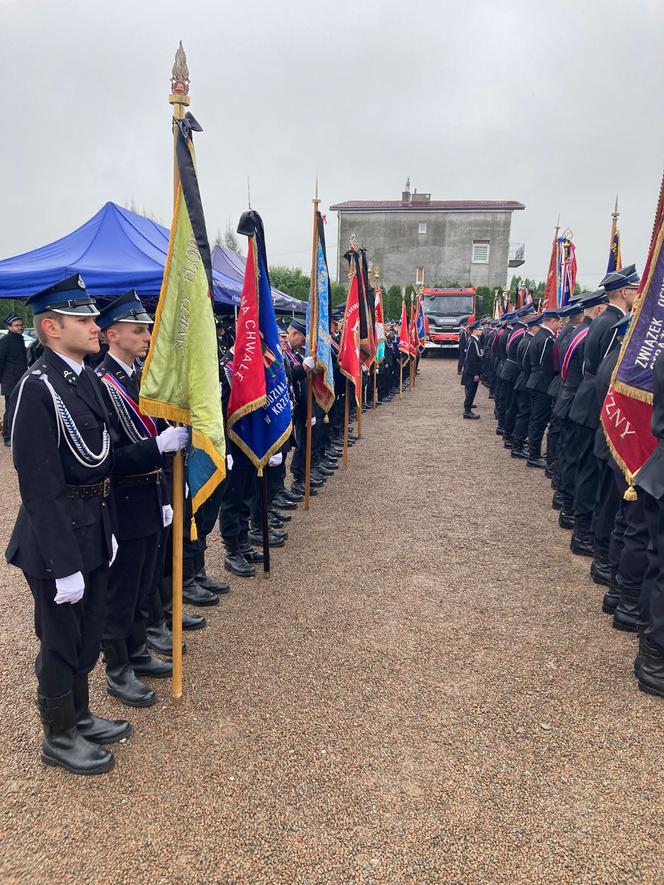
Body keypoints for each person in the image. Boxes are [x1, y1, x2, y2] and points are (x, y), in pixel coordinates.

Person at [5, 275, 130, 775]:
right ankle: (58, 734)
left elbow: (102, 462)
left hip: (94, 526)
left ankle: (78, 714)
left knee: (87, 629)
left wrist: (111, 530)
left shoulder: (84, 378)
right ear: (52, 328)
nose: (96, 326)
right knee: (60, 637)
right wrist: (63, 565)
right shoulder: (36, 389)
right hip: (57, 537)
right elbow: (38, 485)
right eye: (84, 319)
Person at [95, 291, 189, 707]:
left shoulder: (138, 377)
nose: (147, 334)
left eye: (147, 328)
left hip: (152, 495)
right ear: (112, 335)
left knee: (143, 583)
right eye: (138, 329)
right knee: (121, 589)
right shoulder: (102, 385)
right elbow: (108, 459)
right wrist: (157, 448)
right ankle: (117, 668)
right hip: (125, 501)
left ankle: (136, 652)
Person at [568, 265, 639, 554]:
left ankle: (584, 527)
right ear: (624, 292)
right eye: (635, 289)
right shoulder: (613, 324)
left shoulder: (601, 321)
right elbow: (605, 369)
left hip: (587, 398)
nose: (639, 294)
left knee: (588, 468)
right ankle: (584, 532)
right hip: (594, 401)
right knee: (589, 471)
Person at [525, 308, 562, 468]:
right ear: (553, 321)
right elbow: (547, 366)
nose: (560, 325)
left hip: (535, 381)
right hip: (541, 384)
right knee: (539, 421)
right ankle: (533, 455)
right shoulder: (547, 339)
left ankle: (533, 452)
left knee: (535, 419)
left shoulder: (539, 335)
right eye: (559, 322)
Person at [0, 313, 28, 446]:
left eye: (21, 325)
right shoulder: (5, 341)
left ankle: (16, 433)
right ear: (9, 326)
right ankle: (7, 436)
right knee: (11, 408)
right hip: (10, 381)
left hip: (20, 379)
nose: (20, 327)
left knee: (20, 408)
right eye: (17, 325)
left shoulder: (19, 339)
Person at [460, 320, 482, 419]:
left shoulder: (474, 339)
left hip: (471, 369)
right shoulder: (473, 341)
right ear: (474, 331)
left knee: (471, 390)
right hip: (472, 370)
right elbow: (472, 359)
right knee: (471, 390)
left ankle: (468, 408)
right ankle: (467, 411)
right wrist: (476, 373)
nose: (481, 331)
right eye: (479, 329)